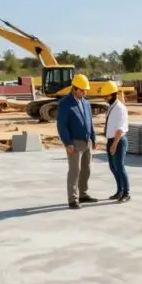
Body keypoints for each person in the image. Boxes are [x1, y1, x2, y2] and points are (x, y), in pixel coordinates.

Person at [56, 74, 98, 209]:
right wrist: (67, 143)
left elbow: (89, 121)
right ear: (74, 88)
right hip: (74, 142)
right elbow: (62, 125)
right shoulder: (64, 103)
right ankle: (73, 199)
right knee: (75, 171)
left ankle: (83, 194)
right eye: (82, 90)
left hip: (87, 141)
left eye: (86, 90)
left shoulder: (85, 102)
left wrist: (93, 137)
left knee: (86, 169)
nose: (85, 93)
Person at [101, 81, 130, 203]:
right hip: (111, 140)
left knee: (119, 167)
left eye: (106, 96)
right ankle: (119, 191)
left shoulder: (119, 108)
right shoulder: (111, 107)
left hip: (118, 141)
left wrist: (114, 144)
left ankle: (126, 192)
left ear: (112, 95)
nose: (104, 98)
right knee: (113, 167)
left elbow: (120, 129)